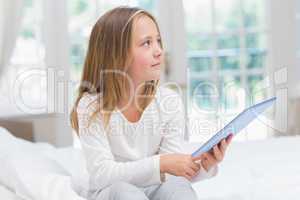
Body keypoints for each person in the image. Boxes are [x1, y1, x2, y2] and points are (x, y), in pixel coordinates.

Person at [70, 6, 233, 200]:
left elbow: (170, 174)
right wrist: (161, 163)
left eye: (158, 41)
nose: (159, 51)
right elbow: (102, 175)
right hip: (111, 191)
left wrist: (205, 166)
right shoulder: (91, 107)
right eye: (146, 43)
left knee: (178, 186)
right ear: (116, 55)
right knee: (124, 191)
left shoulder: (168, 101)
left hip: (154, 188)